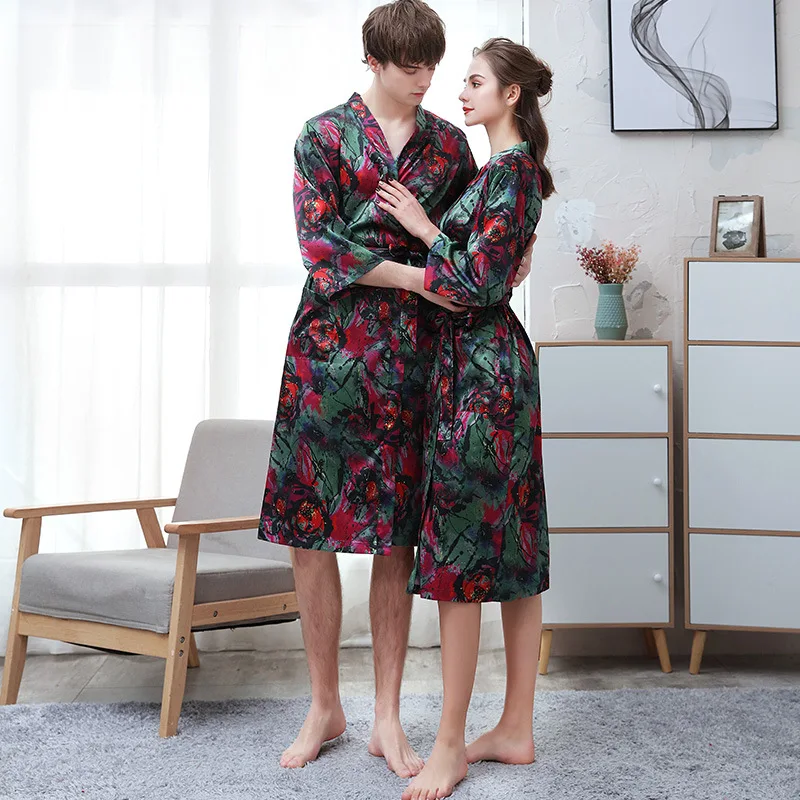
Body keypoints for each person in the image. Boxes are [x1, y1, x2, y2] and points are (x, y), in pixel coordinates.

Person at [257, 1, 534, 776]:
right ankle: (324, 705)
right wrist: (416, 277)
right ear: (373, 62)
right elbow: (319, 247)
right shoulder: (321, 136)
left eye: (433, 66)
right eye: (410, 67)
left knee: (399, 533)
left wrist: (509, 260)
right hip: (326, 354)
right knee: (310, 530)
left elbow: (478, 242)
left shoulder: (450, 146)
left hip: (418, 359)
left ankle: (386, 715)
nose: (425, 80)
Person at [375, 37, 554, 799]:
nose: (460, 91)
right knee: (510, 547)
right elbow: (488, 270)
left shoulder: (512, 175)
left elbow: (472, 285)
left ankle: (451, 744)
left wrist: (420, 231)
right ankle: (514, 728)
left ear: (511, 94)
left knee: (461, 560)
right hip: (483, 367)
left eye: (475, 81)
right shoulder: (505, 173)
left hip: (483, 375)